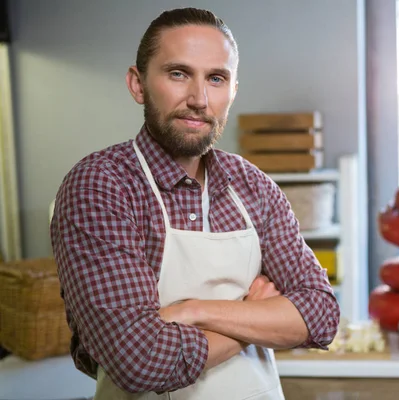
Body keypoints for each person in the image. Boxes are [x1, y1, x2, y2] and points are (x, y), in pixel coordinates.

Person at [50, 7, 340, 399]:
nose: (199, 99)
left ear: (232, 90)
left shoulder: (253, 186)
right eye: (178, 73)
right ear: (138, 84)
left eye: (216, 78)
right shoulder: (101, 186)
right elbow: (140, 360)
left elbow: (321, 316)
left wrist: (194, 310)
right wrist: (252, 319)